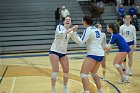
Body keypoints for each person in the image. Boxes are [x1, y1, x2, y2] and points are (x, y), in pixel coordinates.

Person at [74, 16, 104, 93]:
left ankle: (86, 91)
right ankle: (100, 90)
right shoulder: (97, 29)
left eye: (82, 21)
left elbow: (81, 42)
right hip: (100, 54)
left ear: (84, 22)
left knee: (83, 74)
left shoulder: (88, 30)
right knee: (94, 73)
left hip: (93, 54)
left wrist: (74, 33)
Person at [49, 16, 78, 93]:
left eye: (69, 20)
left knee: (66, 72)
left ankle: (65, 87)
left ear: (70, 22)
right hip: (54, 51)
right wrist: (72, 29)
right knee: (55, 71)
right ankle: (53, 88)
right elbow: (61, 34)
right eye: (66, 19)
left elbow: (77, 40)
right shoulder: (59, 26)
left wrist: (75, 31)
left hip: (63, 53)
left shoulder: (71, 31)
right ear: (64, 21)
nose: (68, 20)